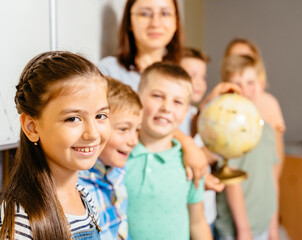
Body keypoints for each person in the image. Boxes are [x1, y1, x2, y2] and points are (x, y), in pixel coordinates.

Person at [0, 51, 111, 239]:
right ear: (32, 127)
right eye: (73, 118)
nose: (92, 134)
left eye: (100, 116)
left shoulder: (84, 196)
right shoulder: (20, 220)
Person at [98, 0, 206, 188]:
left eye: (165, 13)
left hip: (181, 187)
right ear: (129, 22)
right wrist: (187, 143)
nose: (155, 23)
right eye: (145, 13)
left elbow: (183, 129)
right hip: (132, 188)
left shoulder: (183, 73)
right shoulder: (109, 70)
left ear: (176, 22)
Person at [125, 62, 212, 240]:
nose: (166, 107)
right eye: (157, 96)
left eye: (177, 102)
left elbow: (198, 223)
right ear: (138, 98)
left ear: (186, 112)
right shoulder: (118, 155)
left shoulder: (190, 165)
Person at [215, 55, 279, 240]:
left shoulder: (267, 129)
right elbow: (232, 181)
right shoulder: (228, 128)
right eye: (237, 84)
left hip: (263, 224)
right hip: (238, 230)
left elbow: (271, 179)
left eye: (250, 82)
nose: (245, 90)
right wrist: (243, 230)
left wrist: (273, 227)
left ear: (260, 84)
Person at [78, 76, 143, 240]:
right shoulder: (76, 182)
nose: (134, 141)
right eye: (123, 129)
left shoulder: (119, 169)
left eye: (137, 130)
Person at [179, 47, 225, 235]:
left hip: (207, 214)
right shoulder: (174, 120)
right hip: (186, 216)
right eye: (192, 75)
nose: (198, 83)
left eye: (203, 77)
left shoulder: (200, 116)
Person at [224, 38, 285, 178]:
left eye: (246, 59)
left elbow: (276, 155)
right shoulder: (222, 108)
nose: (241, 64)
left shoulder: (269, 104)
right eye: (235, 59)